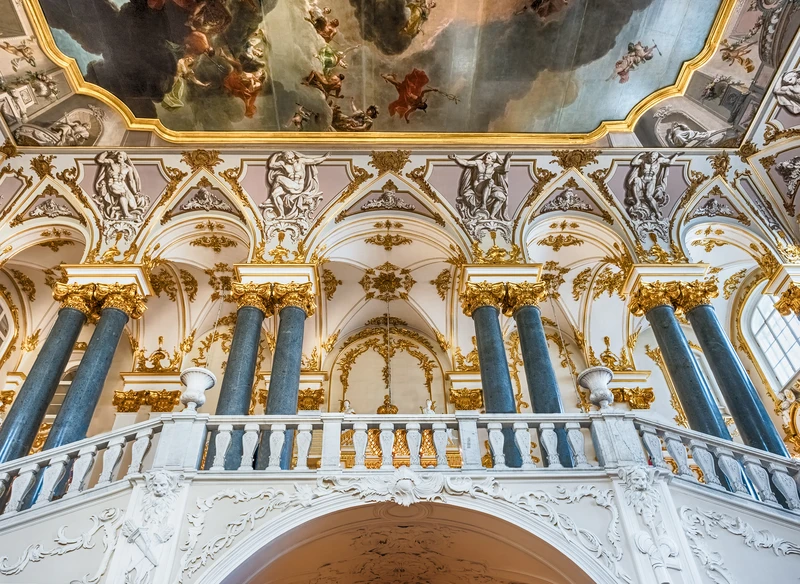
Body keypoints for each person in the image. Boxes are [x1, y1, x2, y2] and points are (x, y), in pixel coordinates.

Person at [382, 69, 458, 123]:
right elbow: (423, 92)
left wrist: (407, 119)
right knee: (398, 85)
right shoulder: (419, 99)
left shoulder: (414, 108)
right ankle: (386, 77)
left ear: (421, 107)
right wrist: (432, 90)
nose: (421, 104)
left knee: (397, 86)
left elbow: (407, 113)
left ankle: (392, 77)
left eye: (421, 105)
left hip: (403, 98)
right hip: (408, 92)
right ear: (423, 103)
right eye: (422, 104)